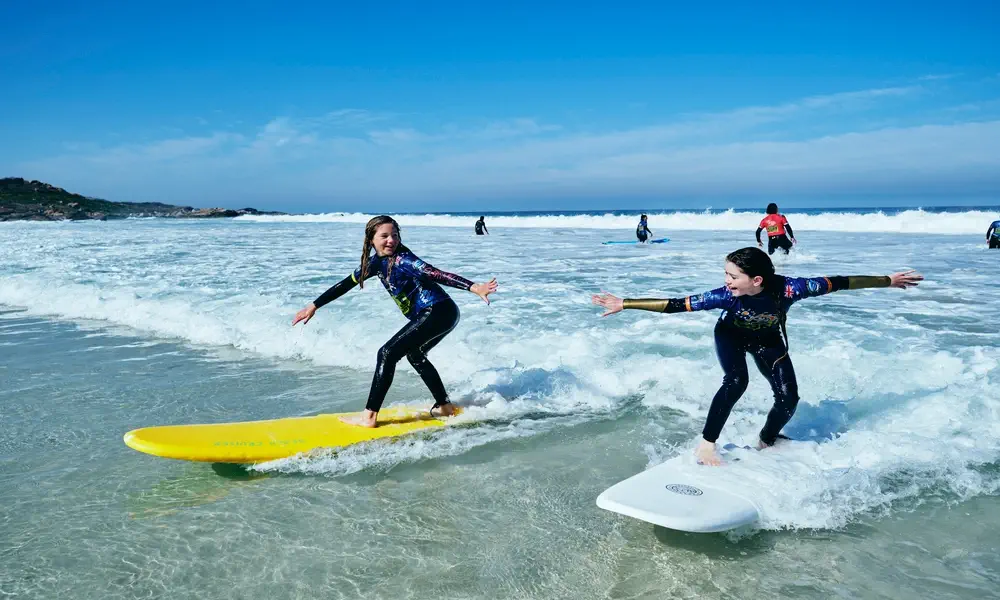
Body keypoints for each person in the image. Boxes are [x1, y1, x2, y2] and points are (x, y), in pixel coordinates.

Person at [591, 246, 923, 466]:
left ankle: (767, 439)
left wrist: (886, 281)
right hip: (731, 336)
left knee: (789, 398)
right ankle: (707, 443)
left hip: (768, 340)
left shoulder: (793, 288)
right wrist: (626, 303)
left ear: (757, 280)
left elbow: (840, 282)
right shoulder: (724, 296)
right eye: (726, 274)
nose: (726, 281)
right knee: (736, 381)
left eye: (733, 276)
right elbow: (677, 304)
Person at [293, 215, 498, 428]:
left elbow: (435, 273)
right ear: (371, 239)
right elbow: (345, 284)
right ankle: (445, 407)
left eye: (395, 235)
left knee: (386, 353)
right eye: (384, 236)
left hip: (437, 311)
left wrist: (474, 287)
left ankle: (369, 417)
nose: (391, 240)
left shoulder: (404, 260)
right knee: (415, 355)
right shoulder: (374, 263)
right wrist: (314, 305)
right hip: (444, 312)